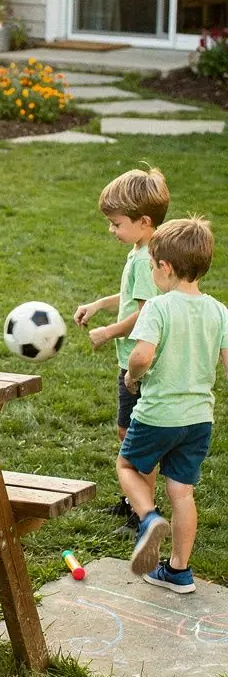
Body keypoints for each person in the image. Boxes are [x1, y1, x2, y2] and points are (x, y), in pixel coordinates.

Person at [121, 217, 228, 593]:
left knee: (127, 466)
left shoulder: (159, 307)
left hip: (158, 415)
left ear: (165, 267)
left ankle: (148, 518)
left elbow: (141, 356)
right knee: (182, 493)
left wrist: (132, 376)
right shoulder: (219, 311)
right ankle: (179, 570)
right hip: (199, 420)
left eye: (152, 265)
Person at [73, 167, 170, 530]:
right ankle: (134, 500)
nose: (111, 230)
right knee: (126, 433)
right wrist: (99, 304)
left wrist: (108, 332)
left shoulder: (146, 259)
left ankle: (142, 510)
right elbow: (131, 296)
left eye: (116, 223)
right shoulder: (141, 250)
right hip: (131, 360)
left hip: (139, 362)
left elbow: (146, 311)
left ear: (144, 222)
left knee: (135, 437)